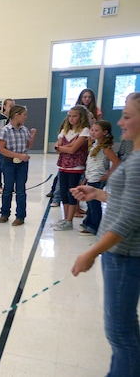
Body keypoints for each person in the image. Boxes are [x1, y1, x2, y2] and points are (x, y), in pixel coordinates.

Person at [71, 92, 140, 377]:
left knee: (120, 332)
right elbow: (128, 201)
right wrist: (99, 193)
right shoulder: (134, 155)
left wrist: (93, 250)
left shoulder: (137, 161)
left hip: (123, 255)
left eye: (126, 116)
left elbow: (131, 216)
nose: (121, 122)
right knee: (125, 328)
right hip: (120, 255)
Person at [0, 105, 37, 226]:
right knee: (7, 188)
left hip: (22, 164)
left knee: (21, 189)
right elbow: (1, 149)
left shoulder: (24, 130)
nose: (25, 117)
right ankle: (4, 213)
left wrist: (33, 135)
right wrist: (18, 155)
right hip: (9, 163)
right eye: (24, 114)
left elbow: (28, 145)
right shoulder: (5, 130)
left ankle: (20, 216)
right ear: (16, 115)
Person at [51, 105, 90, 231]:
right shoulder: (65, 130)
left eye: (74, 116)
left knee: (71, 193)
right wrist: (63, 148)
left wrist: (62, 148)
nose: (71, 119)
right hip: (63, 165)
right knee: (63, 193)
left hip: (76, 166)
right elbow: (59, 147)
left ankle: (69, 220)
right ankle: (65, 218)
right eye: (70, 116)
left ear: (81, 117)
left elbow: (73, 150)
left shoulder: (84, 130)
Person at [79, 120, 119, 236]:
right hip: (91, 177)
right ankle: (88, 222)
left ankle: (95, 226)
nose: (93, 132)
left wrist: (107, 175)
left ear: (105, 132)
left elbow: (116, 162)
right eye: (92, 130)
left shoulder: (105, 148)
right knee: (90, 203)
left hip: (98, 178)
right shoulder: (94, 145)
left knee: (94, 204)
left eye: (96, 131)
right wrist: (86, 178)